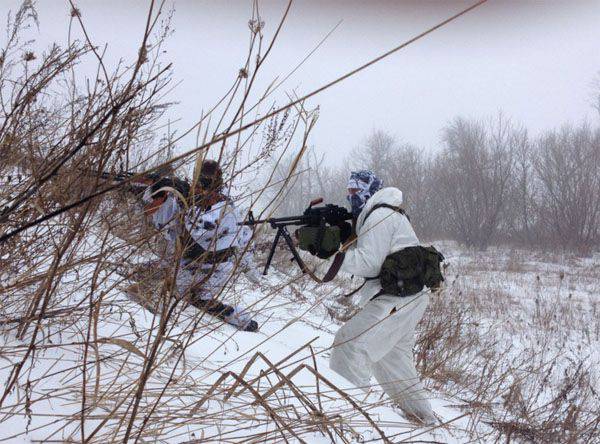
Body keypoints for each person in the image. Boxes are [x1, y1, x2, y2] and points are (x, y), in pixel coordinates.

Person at [328, 170, 436, 424]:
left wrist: (334, 253)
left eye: (356, 191)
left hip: (398, 298)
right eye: (349, 191)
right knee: (392, 362)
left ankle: (346, 419)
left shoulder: (380, 215)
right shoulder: (379, 215)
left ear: (370, 191)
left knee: (350, 345)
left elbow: (369, 264)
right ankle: (423, 418)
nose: (350, 196)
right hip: (408, 297)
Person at [140, 160, 258, 332]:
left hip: (214, 271)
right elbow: (159, 220)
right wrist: (158, 193)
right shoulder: (189, 203)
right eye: (198, 184)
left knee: (197, 298)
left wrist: (185, 202)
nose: (200, 189)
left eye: (206, 185)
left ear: (217, 187)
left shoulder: (226, 210)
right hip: (186, 264)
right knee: (146, 274)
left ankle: (240, 319)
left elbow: (200, 230)